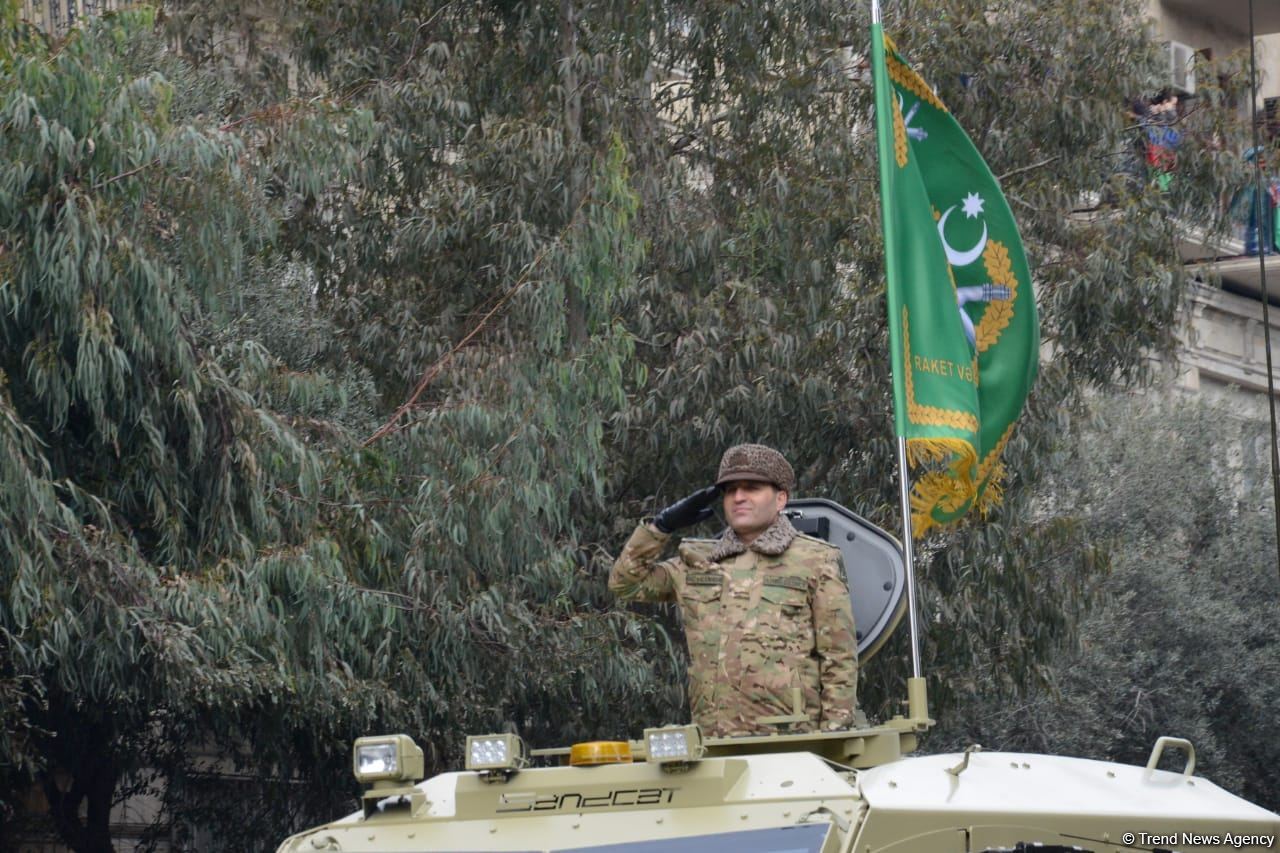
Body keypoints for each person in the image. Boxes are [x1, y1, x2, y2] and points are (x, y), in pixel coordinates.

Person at [609, 444, 858, 737]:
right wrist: (660, 528)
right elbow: (625, 583)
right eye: (730, 490)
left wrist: (833, 737)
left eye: (751, 488)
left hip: (791, 743)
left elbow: (839, 656)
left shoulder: (815, 560)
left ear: (780, 499)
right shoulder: (697, 562)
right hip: (714, 742)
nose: (738, 497)